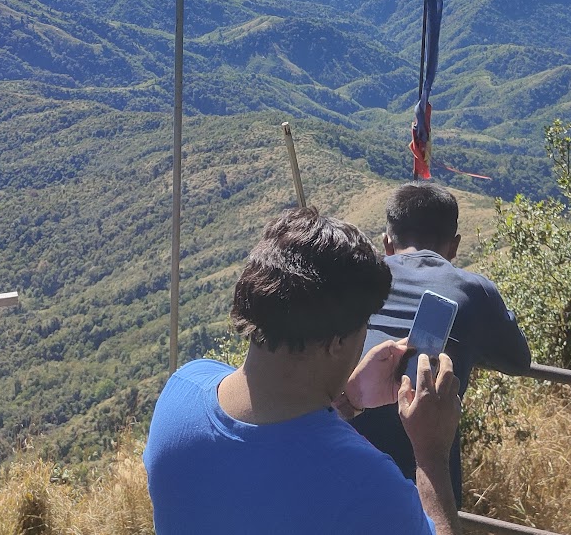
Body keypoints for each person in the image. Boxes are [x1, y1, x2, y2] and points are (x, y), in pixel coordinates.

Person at [143, 207, 465, 535]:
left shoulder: (181, 390)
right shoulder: (368, 485)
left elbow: (265, 450)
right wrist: (431, 453)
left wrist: (349, 399)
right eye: (364, 325)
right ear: (338, 341)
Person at [353, 183, 531, 504]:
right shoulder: (474, 290)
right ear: (455, 246)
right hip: (423, 483)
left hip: (343, 465)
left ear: (387, 243)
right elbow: (519, 361)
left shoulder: (354, 278)